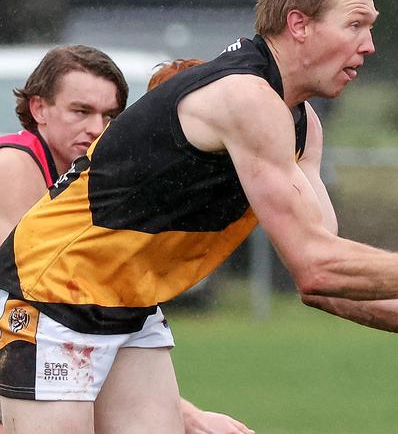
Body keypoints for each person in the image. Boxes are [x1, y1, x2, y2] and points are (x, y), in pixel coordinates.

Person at [0, 0, 398, 432]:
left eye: (372, 26)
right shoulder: (244, 96)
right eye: (356, 25)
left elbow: (328, 285)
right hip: (49, 298)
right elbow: (320, 266)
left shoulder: (300, 124)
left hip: (130, 306)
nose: (370, 45)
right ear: (299, 24)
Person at [0, 46, 253, 434]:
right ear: (38, 109)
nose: (97, 128)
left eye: (111, 116)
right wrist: (188, 415)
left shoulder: (94, 190)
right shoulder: (15, 165)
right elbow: (26, 305)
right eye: (81, 111)